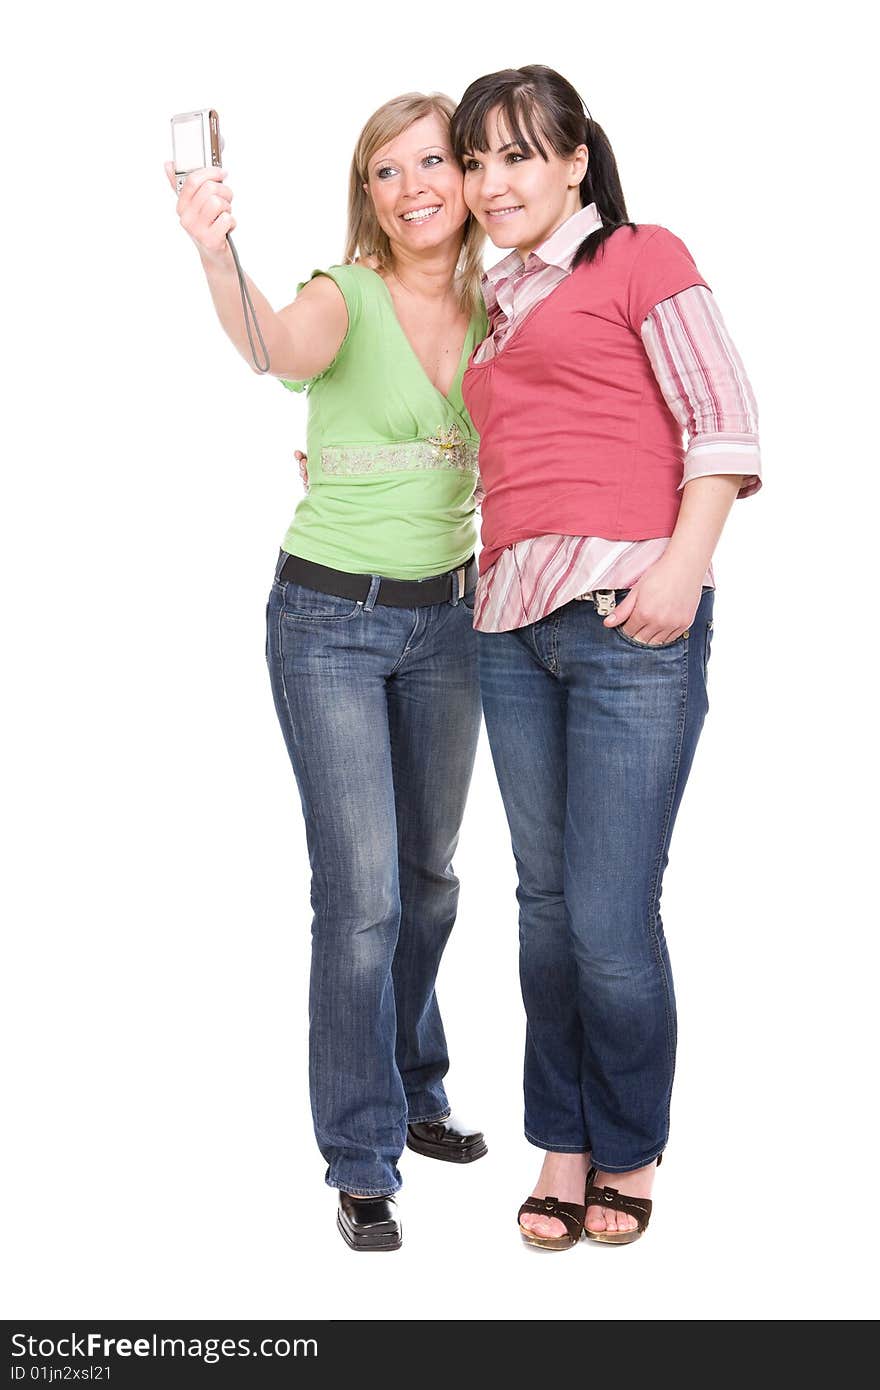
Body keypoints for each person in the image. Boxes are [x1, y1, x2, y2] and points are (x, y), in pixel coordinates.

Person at [165, 91, 489, 1252]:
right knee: (361, 902)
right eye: (387, 171)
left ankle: (416, 1083)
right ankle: (362, 1153)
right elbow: (272, 347)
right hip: (329, 624)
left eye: (434, 162)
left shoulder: (503, 304)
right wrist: (216, 255)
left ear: (472, 176)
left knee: (429, 877)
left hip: (449, 621)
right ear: (369, 195)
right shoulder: (341, 296)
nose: (413, 188)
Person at [450, 66, 762, 1247]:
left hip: (631, 619)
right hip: (508, 625)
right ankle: (561, 1142)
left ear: (575, 159)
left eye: (517, 155)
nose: (491, 182)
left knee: (610, 916)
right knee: (542, 908)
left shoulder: (638, 255)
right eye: (476, 160)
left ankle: (629, 1149)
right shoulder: (495, 300)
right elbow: (506, 453)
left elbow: (722, 419)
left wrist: (680, 569)